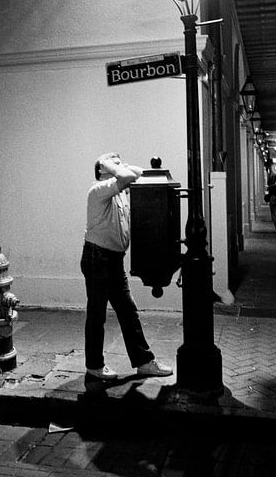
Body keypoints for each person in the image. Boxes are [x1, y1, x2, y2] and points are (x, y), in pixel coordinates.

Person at [80, 152, 173, 380]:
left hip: (113, 259)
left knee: (128, 311)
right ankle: (94, 365)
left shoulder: (120, 191)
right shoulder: (98, 190)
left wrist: (122, 164)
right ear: (103, 170)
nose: (119, 164)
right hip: (97, 257)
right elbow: (125, 176)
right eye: (113, 162)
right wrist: (109, 164)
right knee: (97, 314)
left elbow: (142, 175)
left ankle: (144, 362)